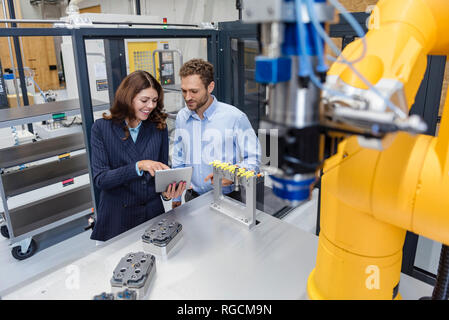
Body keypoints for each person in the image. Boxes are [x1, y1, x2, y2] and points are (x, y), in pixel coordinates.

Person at [90, 70, 185, 241]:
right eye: (144, 100)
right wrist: (138, 166)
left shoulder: (159, 127)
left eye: (154, 100)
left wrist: (166, 193)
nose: (150, 106)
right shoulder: (102, 128)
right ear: (128, 97)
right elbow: (101, 179)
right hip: (117, 218)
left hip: (151, 215)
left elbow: (159, 174)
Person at [172, 59, 261, 209]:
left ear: (210, 87)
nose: (187, 97)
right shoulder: (182, 116)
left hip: (227, 199)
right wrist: (176, 195)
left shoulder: (235, 117)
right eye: (184, 91)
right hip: (192, 198)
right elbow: (178, 158)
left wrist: (233, 176)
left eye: (194, 91)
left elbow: (254, 158)